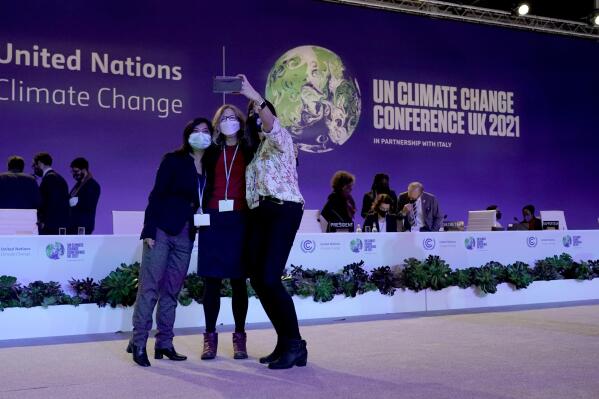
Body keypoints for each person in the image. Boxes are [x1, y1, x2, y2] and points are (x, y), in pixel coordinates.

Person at [128, 117, 211, 367]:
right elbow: (156, 195)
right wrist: (149, 229)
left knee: (172, 291)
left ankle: (164, 343)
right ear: (187, 135)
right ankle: (139, 342)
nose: (201, 135)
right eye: (196, 131)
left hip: (187, 233)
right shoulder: (173, 160)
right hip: (162, 229)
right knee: (150, 287)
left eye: (206, 131)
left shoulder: (211, 167)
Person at [240, 74, 307, 370]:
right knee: (257, 278)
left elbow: (272, 126)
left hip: (283, 209)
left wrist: (254, 95)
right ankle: (284, 341)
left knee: (269, 278)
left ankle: (296, 344)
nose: (256, 117)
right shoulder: (255, 155)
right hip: (260, 213)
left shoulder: (282, 141)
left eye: (259, 113)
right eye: (252, 115)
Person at [197, 104, 253, 361]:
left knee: (239, 281)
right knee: (212, 281)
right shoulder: (210, 151)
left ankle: (239, 338)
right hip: (213, 217)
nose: (228, 122)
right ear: (217, 124)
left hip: (241, 218)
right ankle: (209, 337)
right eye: (223, 118)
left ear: (240, 122)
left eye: (232, 117)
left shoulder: (250, 148)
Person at [32, 152, 69, 235]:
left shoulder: (50, 178)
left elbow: (52, 203)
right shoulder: (56, 177)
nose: (34, 168)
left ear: (40, 163)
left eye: (34, 165)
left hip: (51, 227)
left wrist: (44, 222)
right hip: (56, 225)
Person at [67, 157, 101, 235]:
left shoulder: (92, 185)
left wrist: (74, 203)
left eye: (76, 171)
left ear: (84, 169)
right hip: (73, 226)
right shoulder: (78, 185)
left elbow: (88, 205)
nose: (74, 174)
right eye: (72, 171)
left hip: (83, 227)